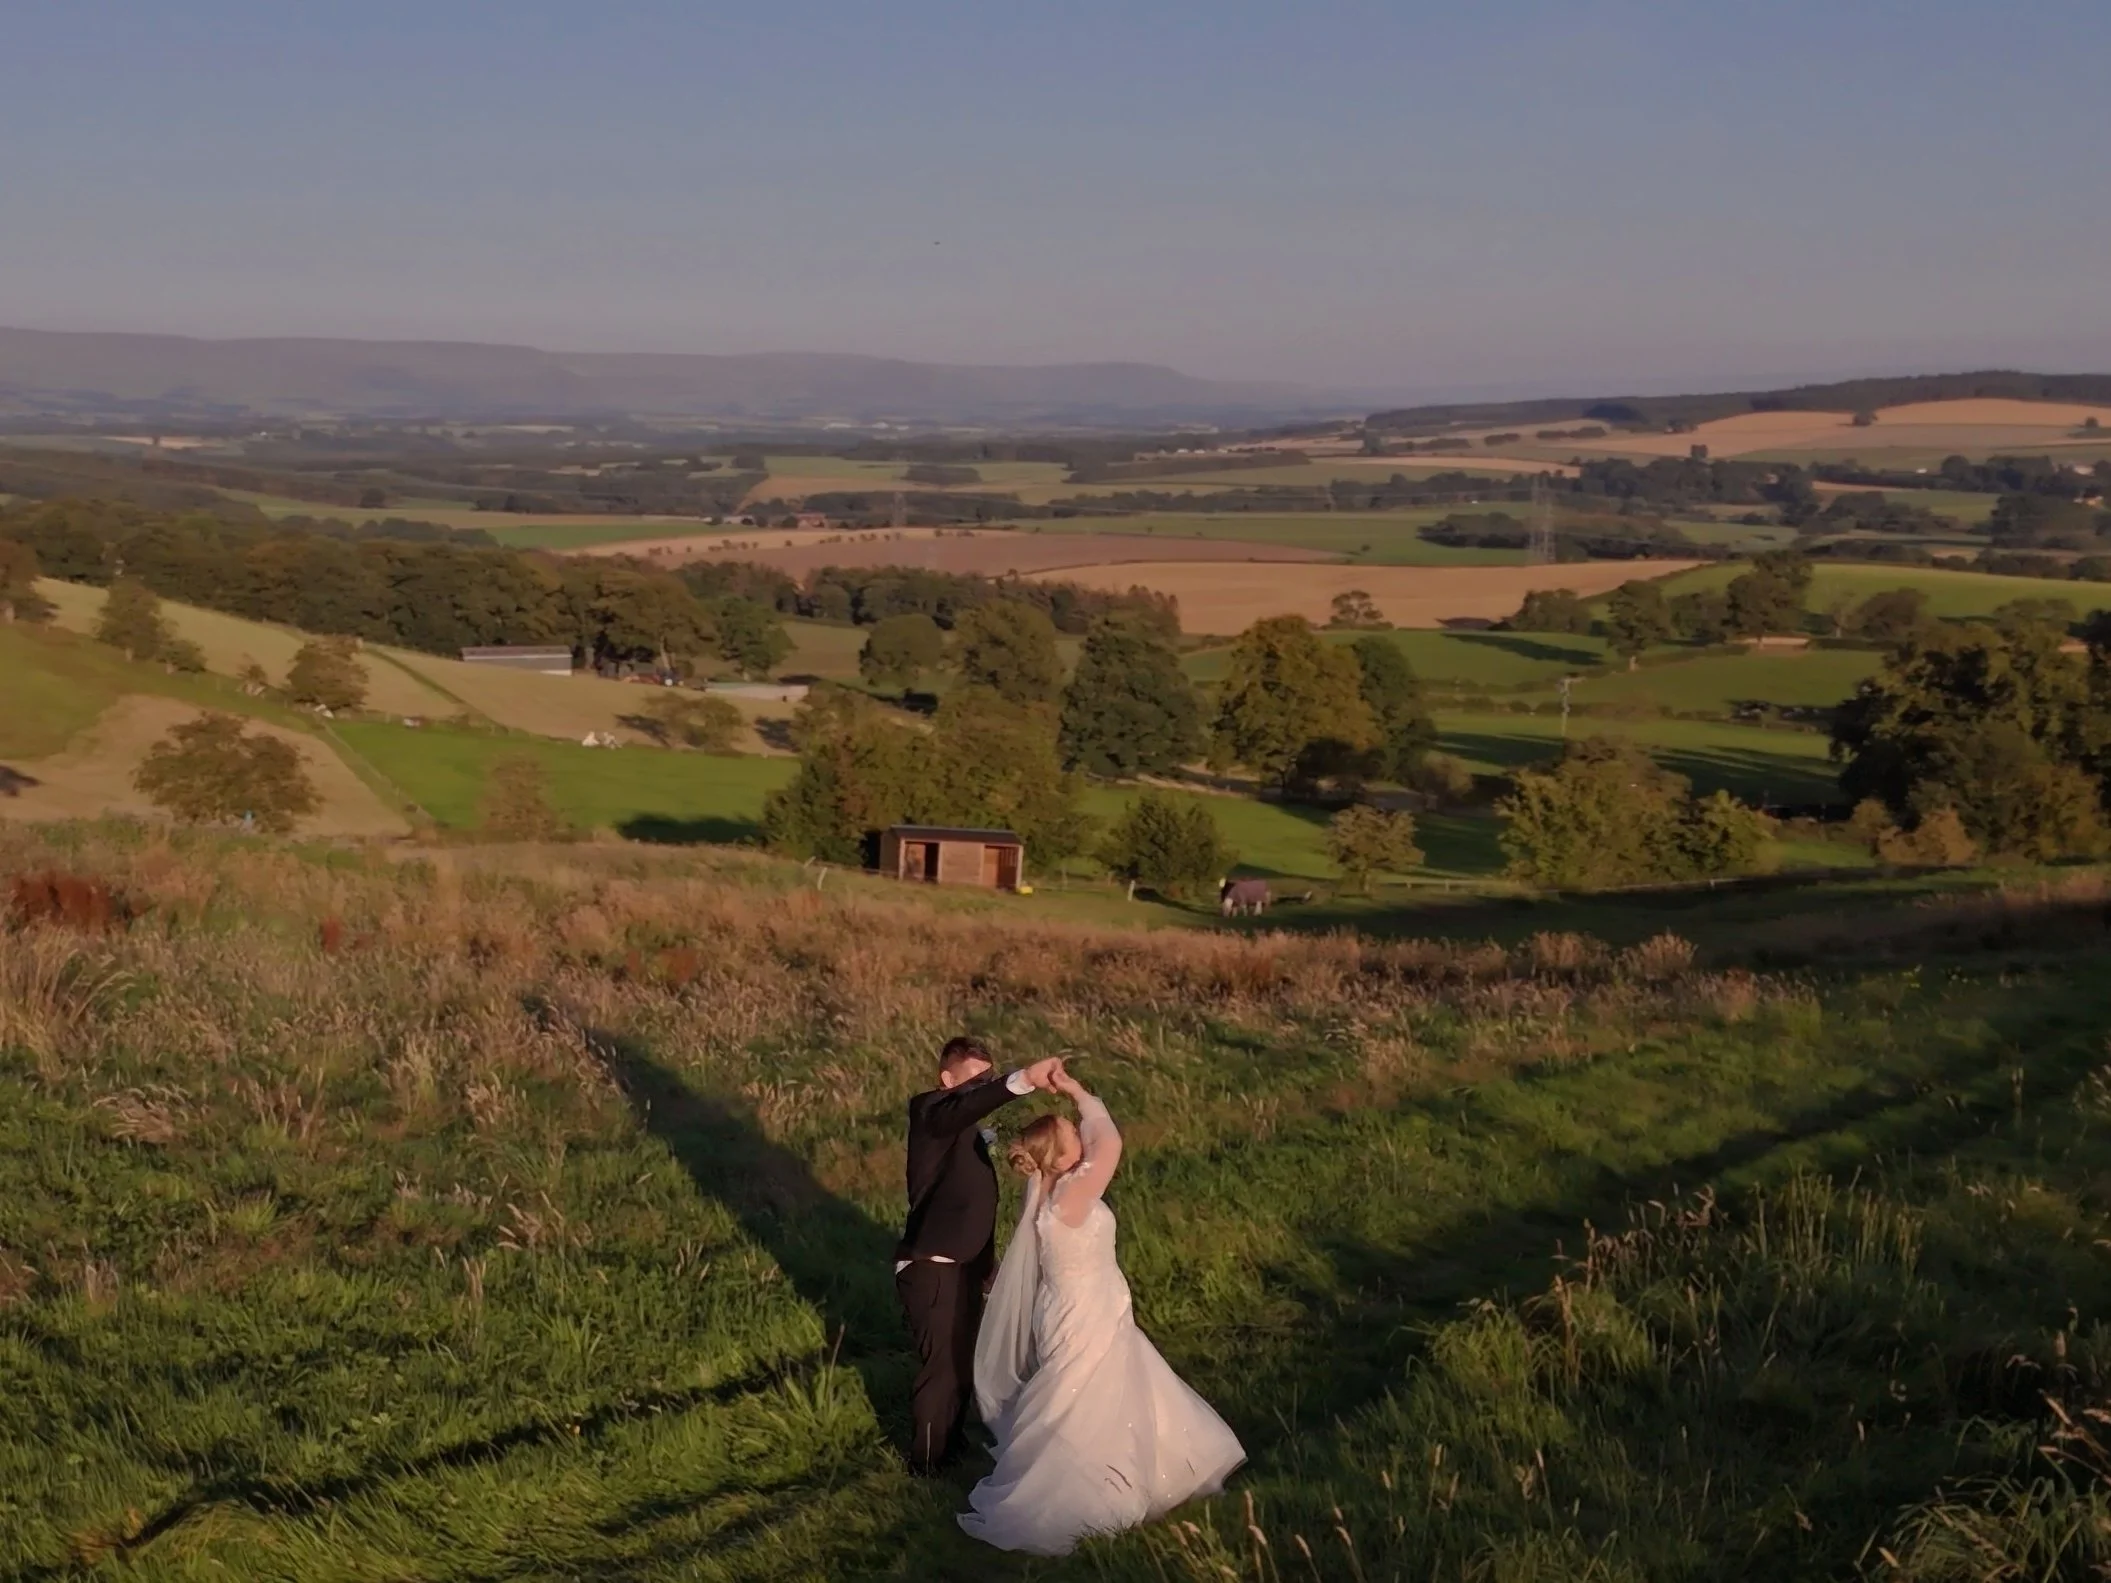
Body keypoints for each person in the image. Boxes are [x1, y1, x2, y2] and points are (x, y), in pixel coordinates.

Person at [961, 1062, 1244, 1555]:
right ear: (1062, 1153)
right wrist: (1076, 1091)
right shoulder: (1071, 1195)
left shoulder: (1050, 1188)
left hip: (1071, 1308)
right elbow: (1110, 1144)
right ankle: (1086, 1494)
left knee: (1107, 1391)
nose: (1080, 1133)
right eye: (1073, 1132)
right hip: (1085, 1312)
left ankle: (1138, 1469)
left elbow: (1095, 1147)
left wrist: (1075, 1103)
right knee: (1086, 1399)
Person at [895, 1036, 1064, 1474]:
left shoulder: (965, 1133)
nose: (979, 1090)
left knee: (963, 1365)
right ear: (946, 1079)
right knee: (943, 1370)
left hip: (966, 1267)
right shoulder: (930, 1111)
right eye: (972, 1081)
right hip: (934, 1265)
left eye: (986, 1080)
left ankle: (949, 1451)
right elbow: (965, 1106)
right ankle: (926, 1466)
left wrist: (985, 1268)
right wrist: (1023, 1078)